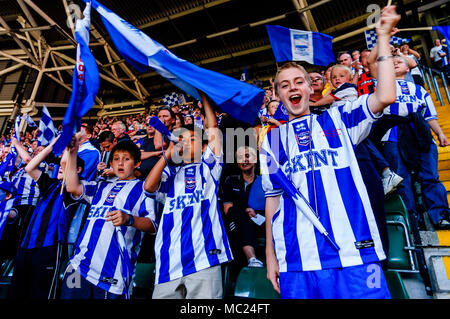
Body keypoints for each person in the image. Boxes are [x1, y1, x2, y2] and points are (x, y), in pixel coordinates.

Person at [260, 5, 400, 299]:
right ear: (278, 95)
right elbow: (272, 205)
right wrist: (272, 258)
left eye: (299, 82)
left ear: (311, 88)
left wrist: (383, 37)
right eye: (284, 86)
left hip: (355, 254)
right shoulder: (271, 141)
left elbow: (386, 95)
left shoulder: (340, 119)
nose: (292, 88)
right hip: (298, 260)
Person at [144, 91, 233, 299]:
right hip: (168, 261)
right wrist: (168, 151)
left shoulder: (210, 167)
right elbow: (148, 187)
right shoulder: (170, 173)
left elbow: (212, 130)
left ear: (203, 147)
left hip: (205, 259)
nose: (185, 143)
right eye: (181, 139)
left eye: (191, 139)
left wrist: (204, 99)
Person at [60, 139, 157, 299]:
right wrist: (72, 152)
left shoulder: (143, 188)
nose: (120, 163)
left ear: (137, 163)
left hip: (113, 274)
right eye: (116, 159)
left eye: (126, 159)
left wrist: (130, 219)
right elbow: (72, 187)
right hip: (78, 266)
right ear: (110, 162)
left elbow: (152, 225)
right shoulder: (101, 185)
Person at [369, 52, 450, 230]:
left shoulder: (420, 90)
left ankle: (440, 215)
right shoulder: (382, 86)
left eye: (400, 62)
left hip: (420, 134)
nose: (396, 63)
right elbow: (373, 64)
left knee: (431, 176)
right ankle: (411, 220)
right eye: (392, 62)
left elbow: (429, 116)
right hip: (393, 135)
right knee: (402, 178)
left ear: (409, 67)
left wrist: (440, 134)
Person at [9, 137, 84, 299]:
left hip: (48, 247)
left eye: (66, 166)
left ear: (77, 170)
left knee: (40, 293)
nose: (60, 167)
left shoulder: (74, 189)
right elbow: (30, 166)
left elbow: (65, 163)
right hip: (26, 244)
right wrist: (51, 145)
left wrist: (69, 148)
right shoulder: (50, 183)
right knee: (18, 292)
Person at [222, 146, 264, 268]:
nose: (244, 160)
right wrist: (246, 211)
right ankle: (252, 259)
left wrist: (256, 212)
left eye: (247, 156)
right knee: (234, 212)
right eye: (240, 157)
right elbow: (227, 209)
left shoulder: (263, 182)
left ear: (255, 159)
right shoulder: (231, 181)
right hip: (235, 222)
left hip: (258, 222)